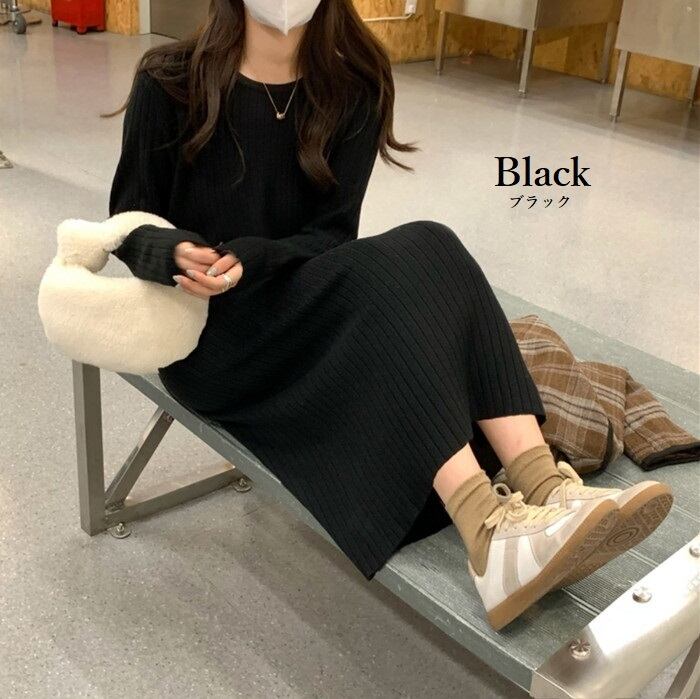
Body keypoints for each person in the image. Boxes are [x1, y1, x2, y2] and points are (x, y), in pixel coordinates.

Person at [103, 0, 673, 631]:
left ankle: (549, 491)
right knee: (397, 296)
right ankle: (488, 532)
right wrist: (171, 250)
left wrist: (256, 257)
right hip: (209, 340)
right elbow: (126, 225)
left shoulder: (354, 84)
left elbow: (331, 235)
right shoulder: (169, 80)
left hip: (295, 303)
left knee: (432, 242)